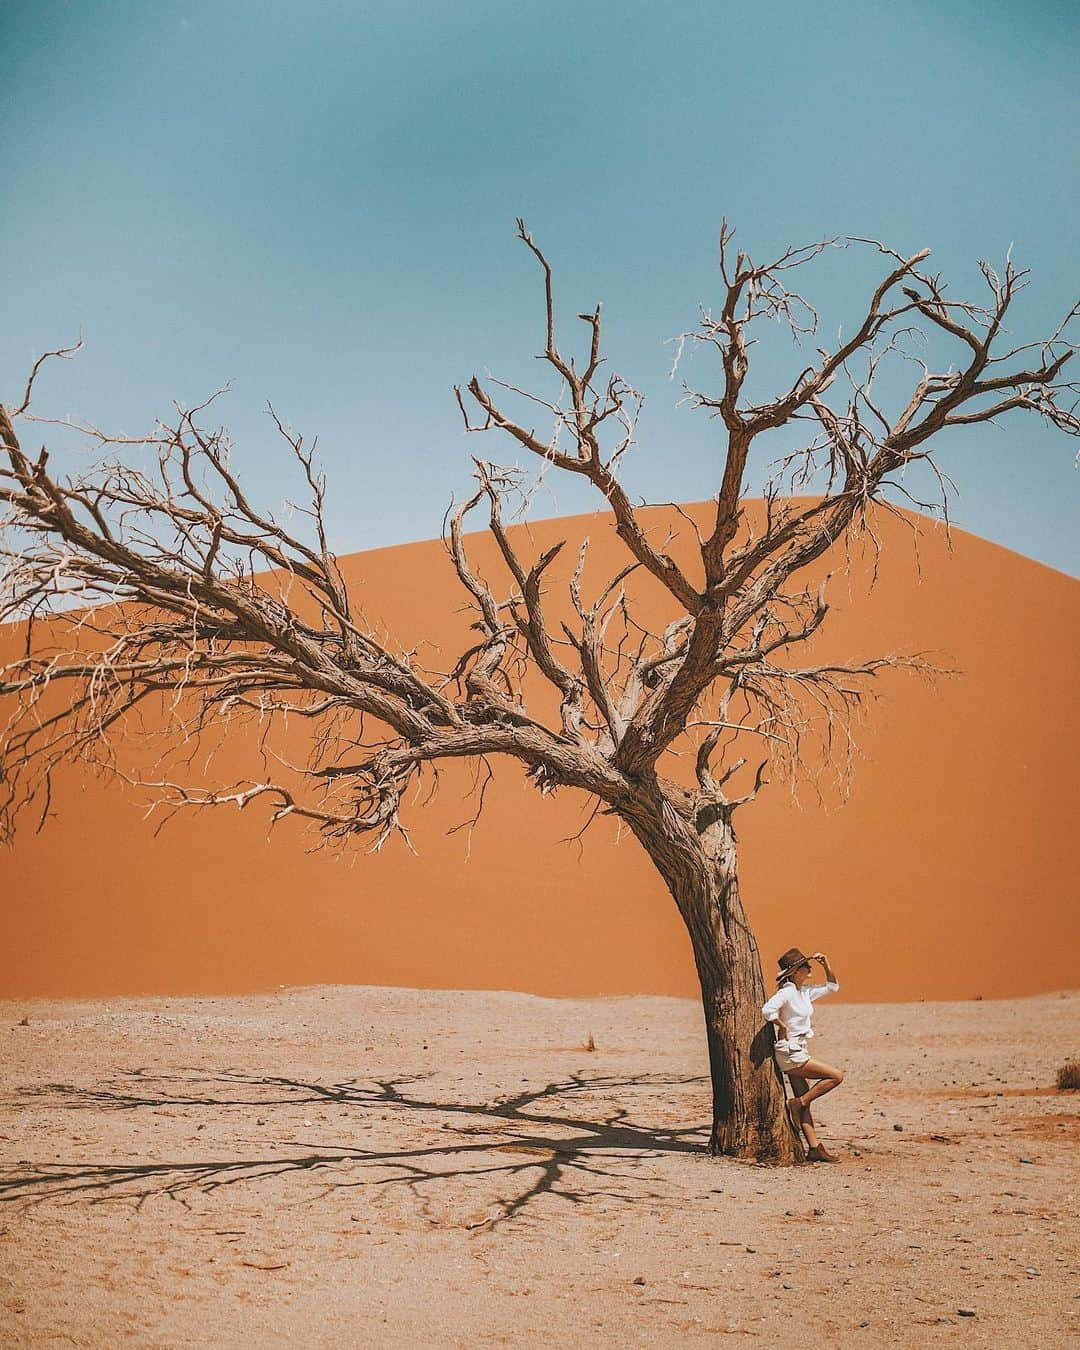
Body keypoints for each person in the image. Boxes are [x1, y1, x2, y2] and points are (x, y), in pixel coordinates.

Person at [761, 946, 844, 1163]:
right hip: (790, 1052)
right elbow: (767, 1010)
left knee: (805, 1102)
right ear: (795, 971)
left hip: (798, 1049)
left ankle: (814, 1148)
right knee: (836, 1076)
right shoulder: (787, 991)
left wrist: (826, 965)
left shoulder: (804, 991)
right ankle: (795, 1104)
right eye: (805, 966)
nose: (809, 969)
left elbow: (833, 986)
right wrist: (781, 1025)